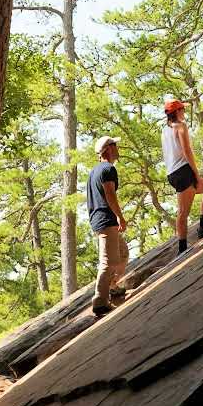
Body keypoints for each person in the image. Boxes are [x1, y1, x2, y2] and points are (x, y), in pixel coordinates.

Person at [161, 98, 203, 255]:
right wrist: (196, 174)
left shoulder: (164, 130)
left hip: (172, 173)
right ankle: (182, 249)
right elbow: (187, 151)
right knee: (183, 212)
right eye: (182, 109)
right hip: (183, 171)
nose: (184, 112)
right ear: (177, 111)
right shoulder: (181, 126)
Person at [86, 135, 129, 316]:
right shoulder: (108, 169)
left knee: (123, 253)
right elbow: (110, 194)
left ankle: (112, 286)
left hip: (100, 219)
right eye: (115, 145)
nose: (118, 147)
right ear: (108, 149)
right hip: (106, 220)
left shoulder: (95, 171)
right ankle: (100, 302)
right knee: (108, 263)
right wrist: (120, 216)